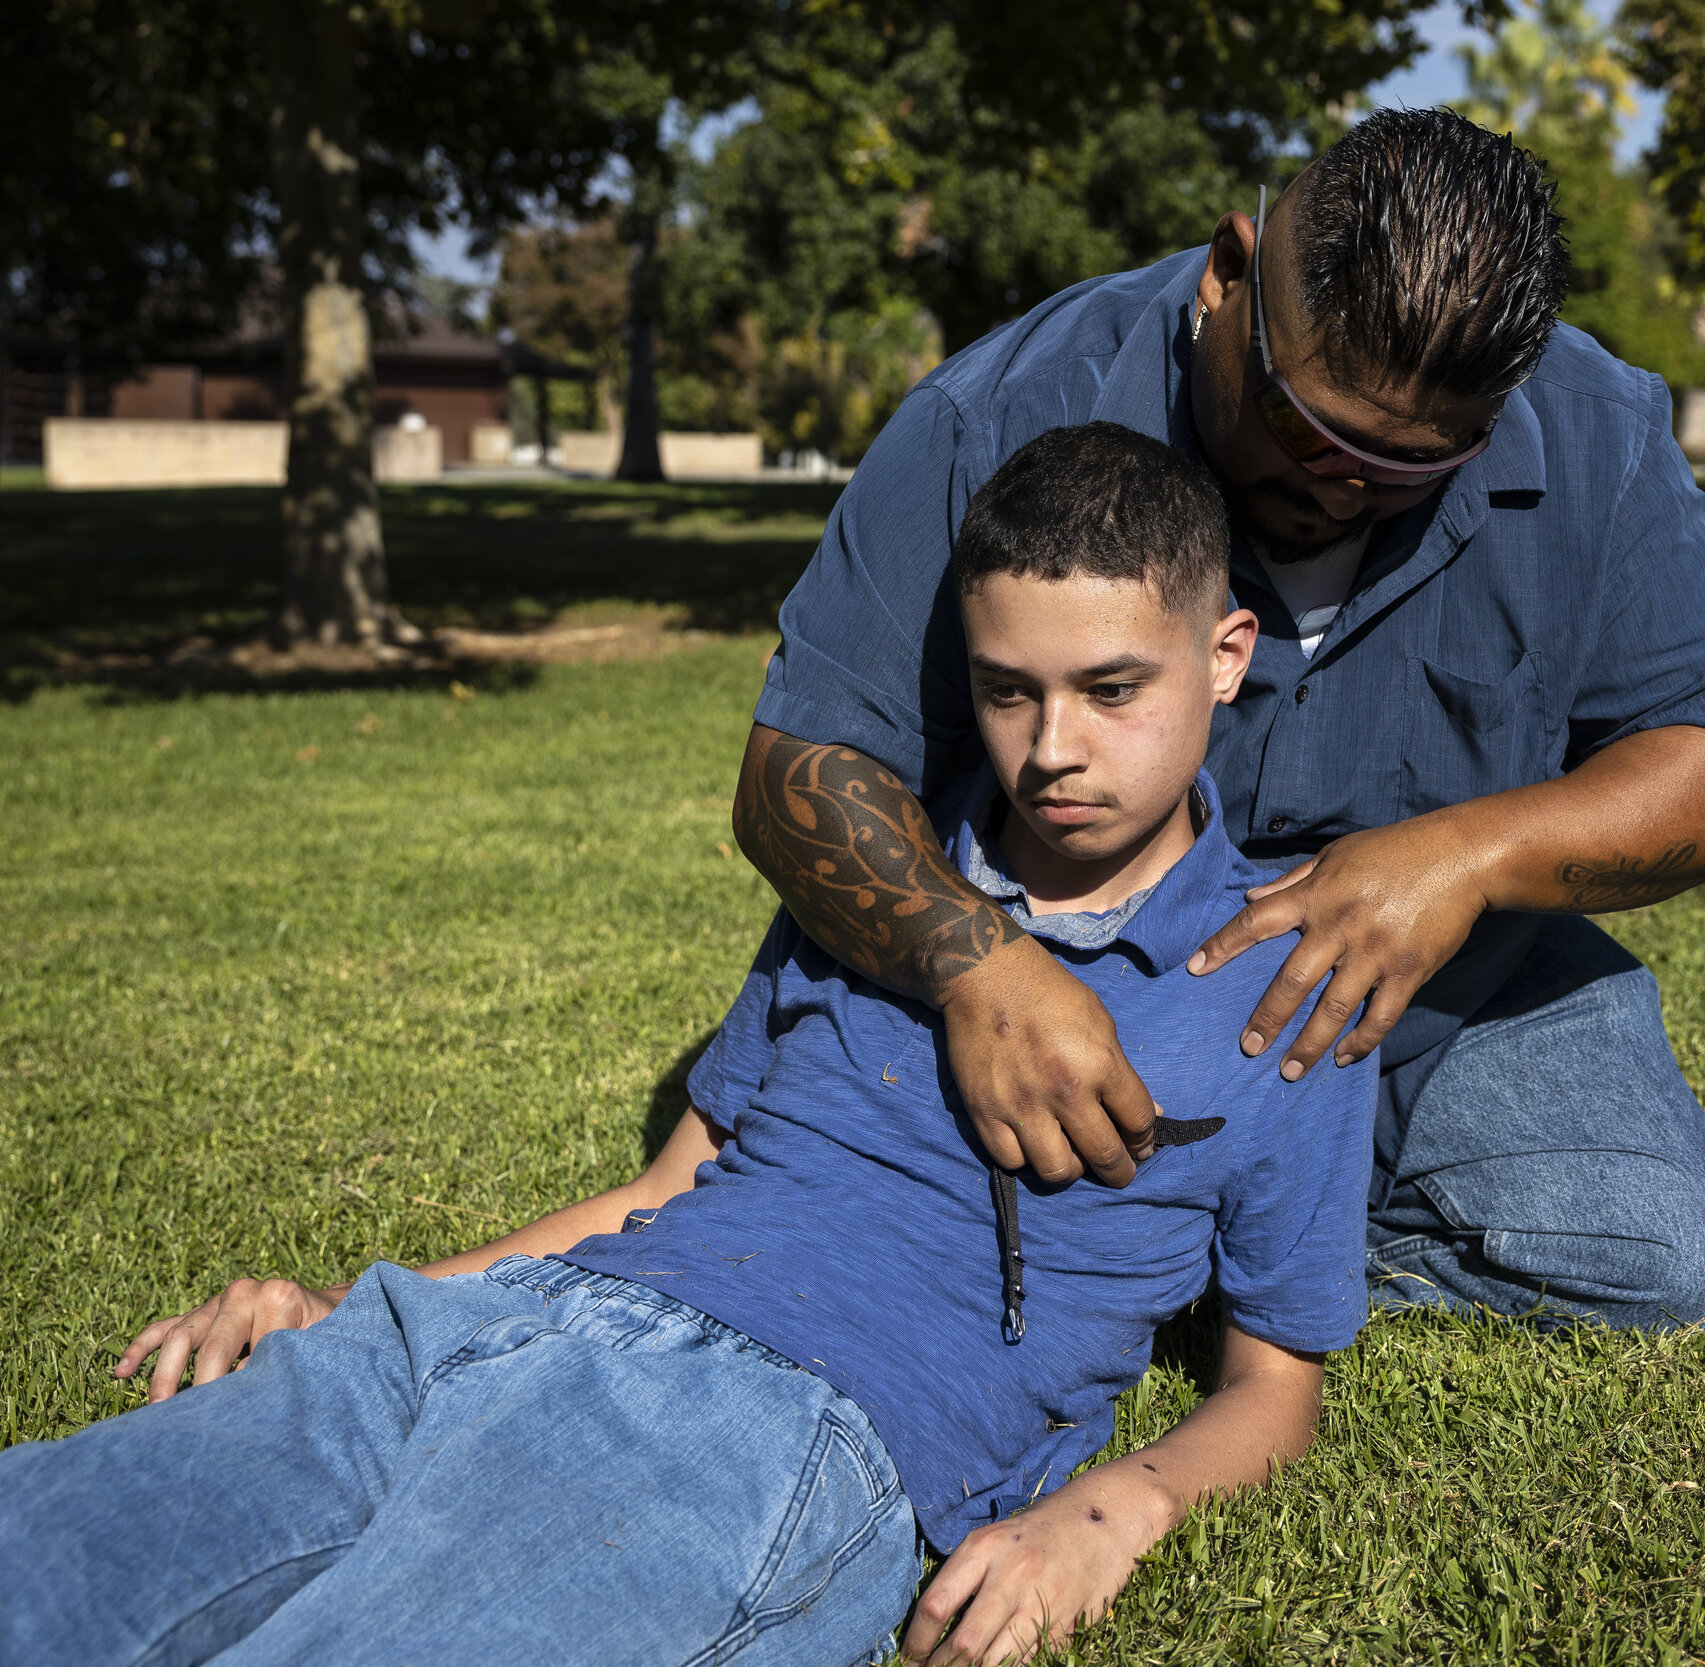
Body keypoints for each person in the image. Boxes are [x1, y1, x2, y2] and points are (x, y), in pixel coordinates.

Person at [0, 426, 1377, 1667]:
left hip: (772, 1433)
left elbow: (1272, 1386)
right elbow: (668, 1186)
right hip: (497, 1332)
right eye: (1007, 691)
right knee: (49, 1555)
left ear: (1227, 653)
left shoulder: (1279, 985)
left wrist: (1106, 1515)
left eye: (1110, 688)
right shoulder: (883, 882)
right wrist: (367, 1303)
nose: (1052, 748)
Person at [734, 108, 1705, 1333]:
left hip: (1436, 995)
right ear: (1228, 276)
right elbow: (797, 765)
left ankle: (1191, 1250)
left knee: (1669, 1255)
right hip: (1078, 969)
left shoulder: (1596, 427)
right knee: (847, 1182)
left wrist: (1465, 857)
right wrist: (980, 973)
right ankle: (1144, 1222)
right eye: (1305, 424)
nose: (1342, 483)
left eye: (1408, 463)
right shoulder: (1002, 410)